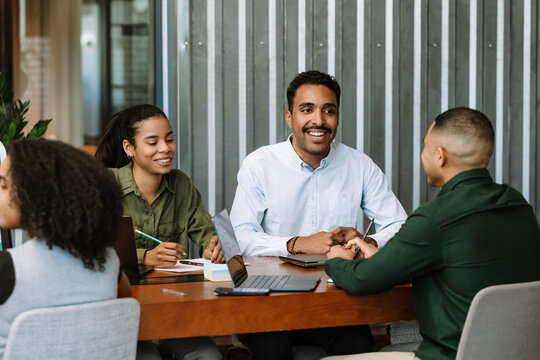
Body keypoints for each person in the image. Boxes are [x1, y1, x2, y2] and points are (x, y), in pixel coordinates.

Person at [323, 107, 540, 360]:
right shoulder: (518, 205)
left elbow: (361, 280)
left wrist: (335, 259)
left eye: (425, 146)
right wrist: (383, 258)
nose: (422, 154)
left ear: (440, 156)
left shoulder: (435, 218)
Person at [230, 70, 408, 359]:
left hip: (336, 302)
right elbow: (239, 237)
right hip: (271, 303)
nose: (319, 121)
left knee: (359, 348)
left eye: (329, 110)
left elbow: (400, 226)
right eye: (307, 110)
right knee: (270, 349)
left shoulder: (359, 165)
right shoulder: (259, 165)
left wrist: (366, 242)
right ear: (289, 117)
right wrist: (296, 243)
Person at [95, 104, 223, 360]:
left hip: (172, 313)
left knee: (209, 354)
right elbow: (91, 250)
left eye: (169, 139)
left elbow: (206, 233)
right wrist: (146, 258)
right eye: (152, 142)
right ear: (129, 148)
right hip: (120, 314)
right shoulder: (104, 185)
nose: (165, 148)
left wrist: (214, 247)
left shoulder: (181, 184)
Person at [0, 138, 131, 358]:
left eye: (3, 185)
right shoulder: (107, 260)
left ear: (36, 196)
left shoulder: (7, 268)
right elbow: (125, 300)